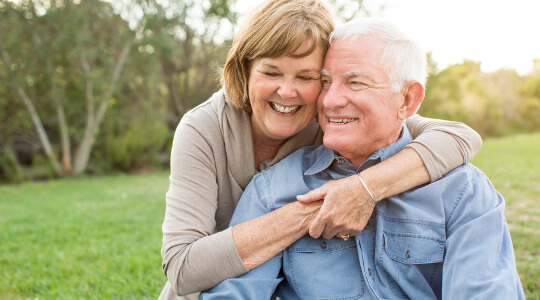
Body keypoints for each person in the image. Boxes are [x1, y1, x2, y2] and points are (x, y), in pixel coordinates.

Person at [159, 1, 483, 299]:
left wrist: (364, 188)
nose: (287, 91)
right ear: (244, 71)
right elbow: (182, 267)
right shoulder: (203, 128)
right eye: (271, 72)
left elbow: (458, 136)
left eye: (308, 77)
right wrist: (323, 206)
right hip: (209, 282)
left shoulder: (333, 118)